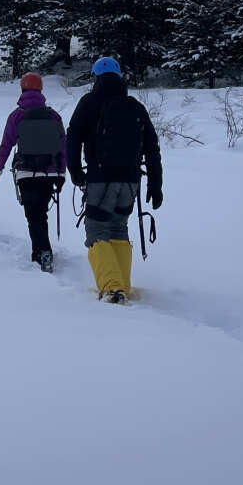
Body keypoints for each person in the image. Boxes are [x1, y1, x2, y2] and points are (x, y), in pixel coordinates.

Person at [66, 57, 163, 303]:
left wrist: (75, 172)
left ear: (95, 77)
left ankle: (112, 288)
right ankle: (122, 286)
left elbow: (73, 139)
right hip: (131, 182)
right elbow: (152, 148)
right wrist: (155, 184)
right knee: (118, 229)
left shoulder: (88, 102)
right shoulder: (135, 106)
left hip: (100, 179)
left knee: (97, 231)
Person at [0, 72, 66, 271]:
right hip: (50, 173)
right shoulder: (53, 115)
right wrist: (62, 172)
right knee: (40, 214)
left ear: (22, 89)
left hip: (25, 173)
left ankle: (43, 252)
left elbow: (6, 145)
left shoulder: (17, 115)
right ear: (41, 90)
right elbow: (62, 147)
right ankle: (40, 251)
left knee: (33, 215)